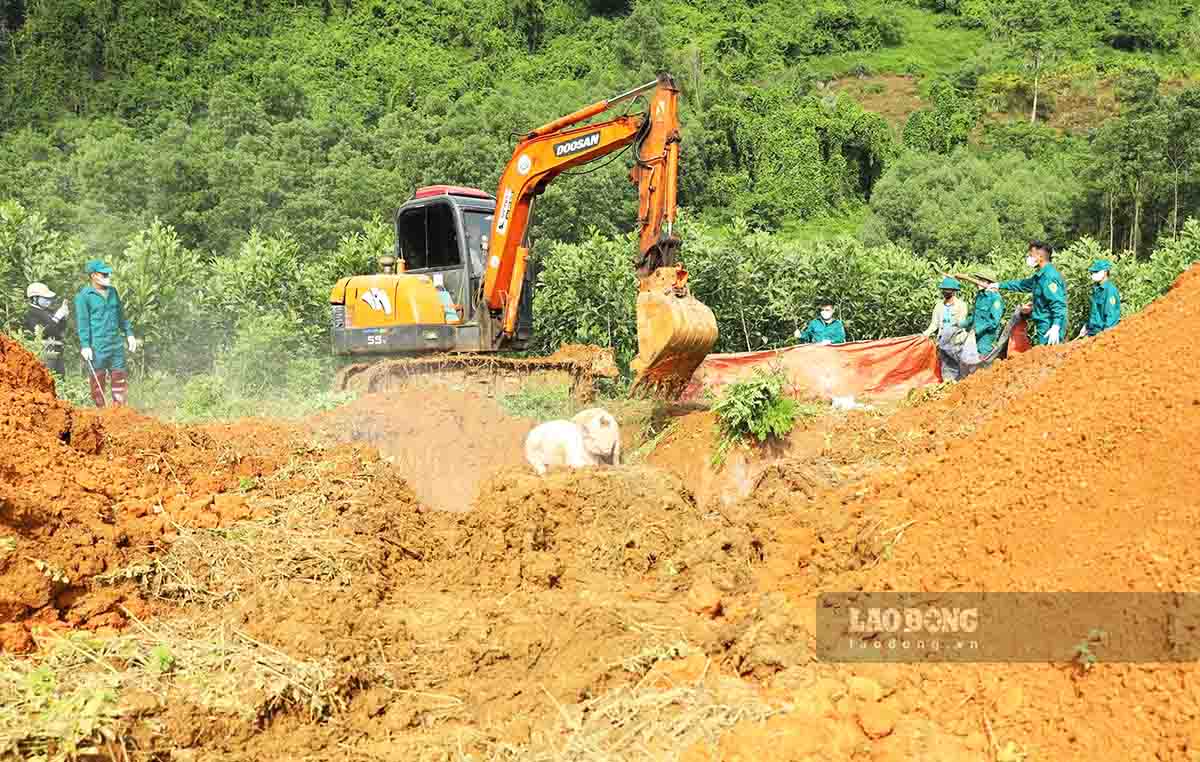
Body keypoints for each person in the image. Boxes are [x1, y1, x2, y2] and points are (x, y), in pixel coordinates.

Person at [75, 259, 138, 407]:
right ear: (93, 276)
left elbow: (121, 315)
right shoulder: (84, 296)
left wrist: (129, 334)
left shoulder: (113, 292)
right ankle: (101, 412)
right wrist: (85, 345)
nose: (107, 276)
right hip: (98, 345)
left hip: (115, 343)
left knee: (119, 376)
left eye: (108, 274)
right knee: (98, 379)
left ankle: (119, 410)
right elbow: (83, 322)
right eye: (104, 274)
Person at [990, 241, 1067, 346]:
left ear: (1040, 257)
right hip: (1043, 323)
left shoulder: (1049, 276)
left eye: (1031, 255)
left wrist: (1056, 326)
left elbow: (1058, 304)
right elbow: (1022, 285)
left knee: (1049, 357)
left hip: (1049, 324)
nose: (1028, 258)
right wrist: (999, 285)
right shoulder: (1040, 276)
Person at [923, 276, 969, 381]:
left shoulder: (961, 305)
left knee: (959, 365)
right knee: (945, 366)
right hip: (943, 341)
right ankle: (948, 384)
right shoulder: (939, 306)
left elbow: (960, 323)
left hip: (957, 340)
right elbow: (934, 324)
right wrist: (925, 334)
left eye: (947, 290)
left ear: (953, 291)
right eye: (944, 290)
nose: (945, 292)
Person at [23, 282, 70, 376]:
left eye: (49, 299)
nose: (49, 301)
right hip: (45, 349)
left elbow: (59, 330)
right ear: (35, 298)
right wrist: (57, 317)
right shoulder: (31, 314)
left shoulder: (48, 311)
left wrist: (64, 317)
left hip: (57, 347)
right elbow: (43, 332)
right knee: (48, 376)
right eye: (45, 298)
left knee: (60, 378)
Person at [960, 271, 1005, 358]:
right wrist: (960, 324)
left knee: (981, 363)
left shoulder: (995, 299)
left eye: (980, 280)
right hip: (974, 337)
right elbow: (974, 317)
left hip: (986, 340)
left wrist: (977, 330)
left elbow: (994, 322)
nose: (977, 282)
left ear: (988, 283)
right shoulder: (980, 296)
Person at [1079, 259, 1121, 338]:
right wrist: (1087, 326)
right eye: (1092, 272)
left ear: (1105, 272)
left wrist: (1105, 336)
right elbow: (1095, 312)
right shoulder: (1097, 289)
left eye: (1096, 272)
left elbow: (1111, 317)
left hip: (1102, 334)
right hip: (1092, 333)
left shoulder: (1110, 290)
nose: (1093, 275)